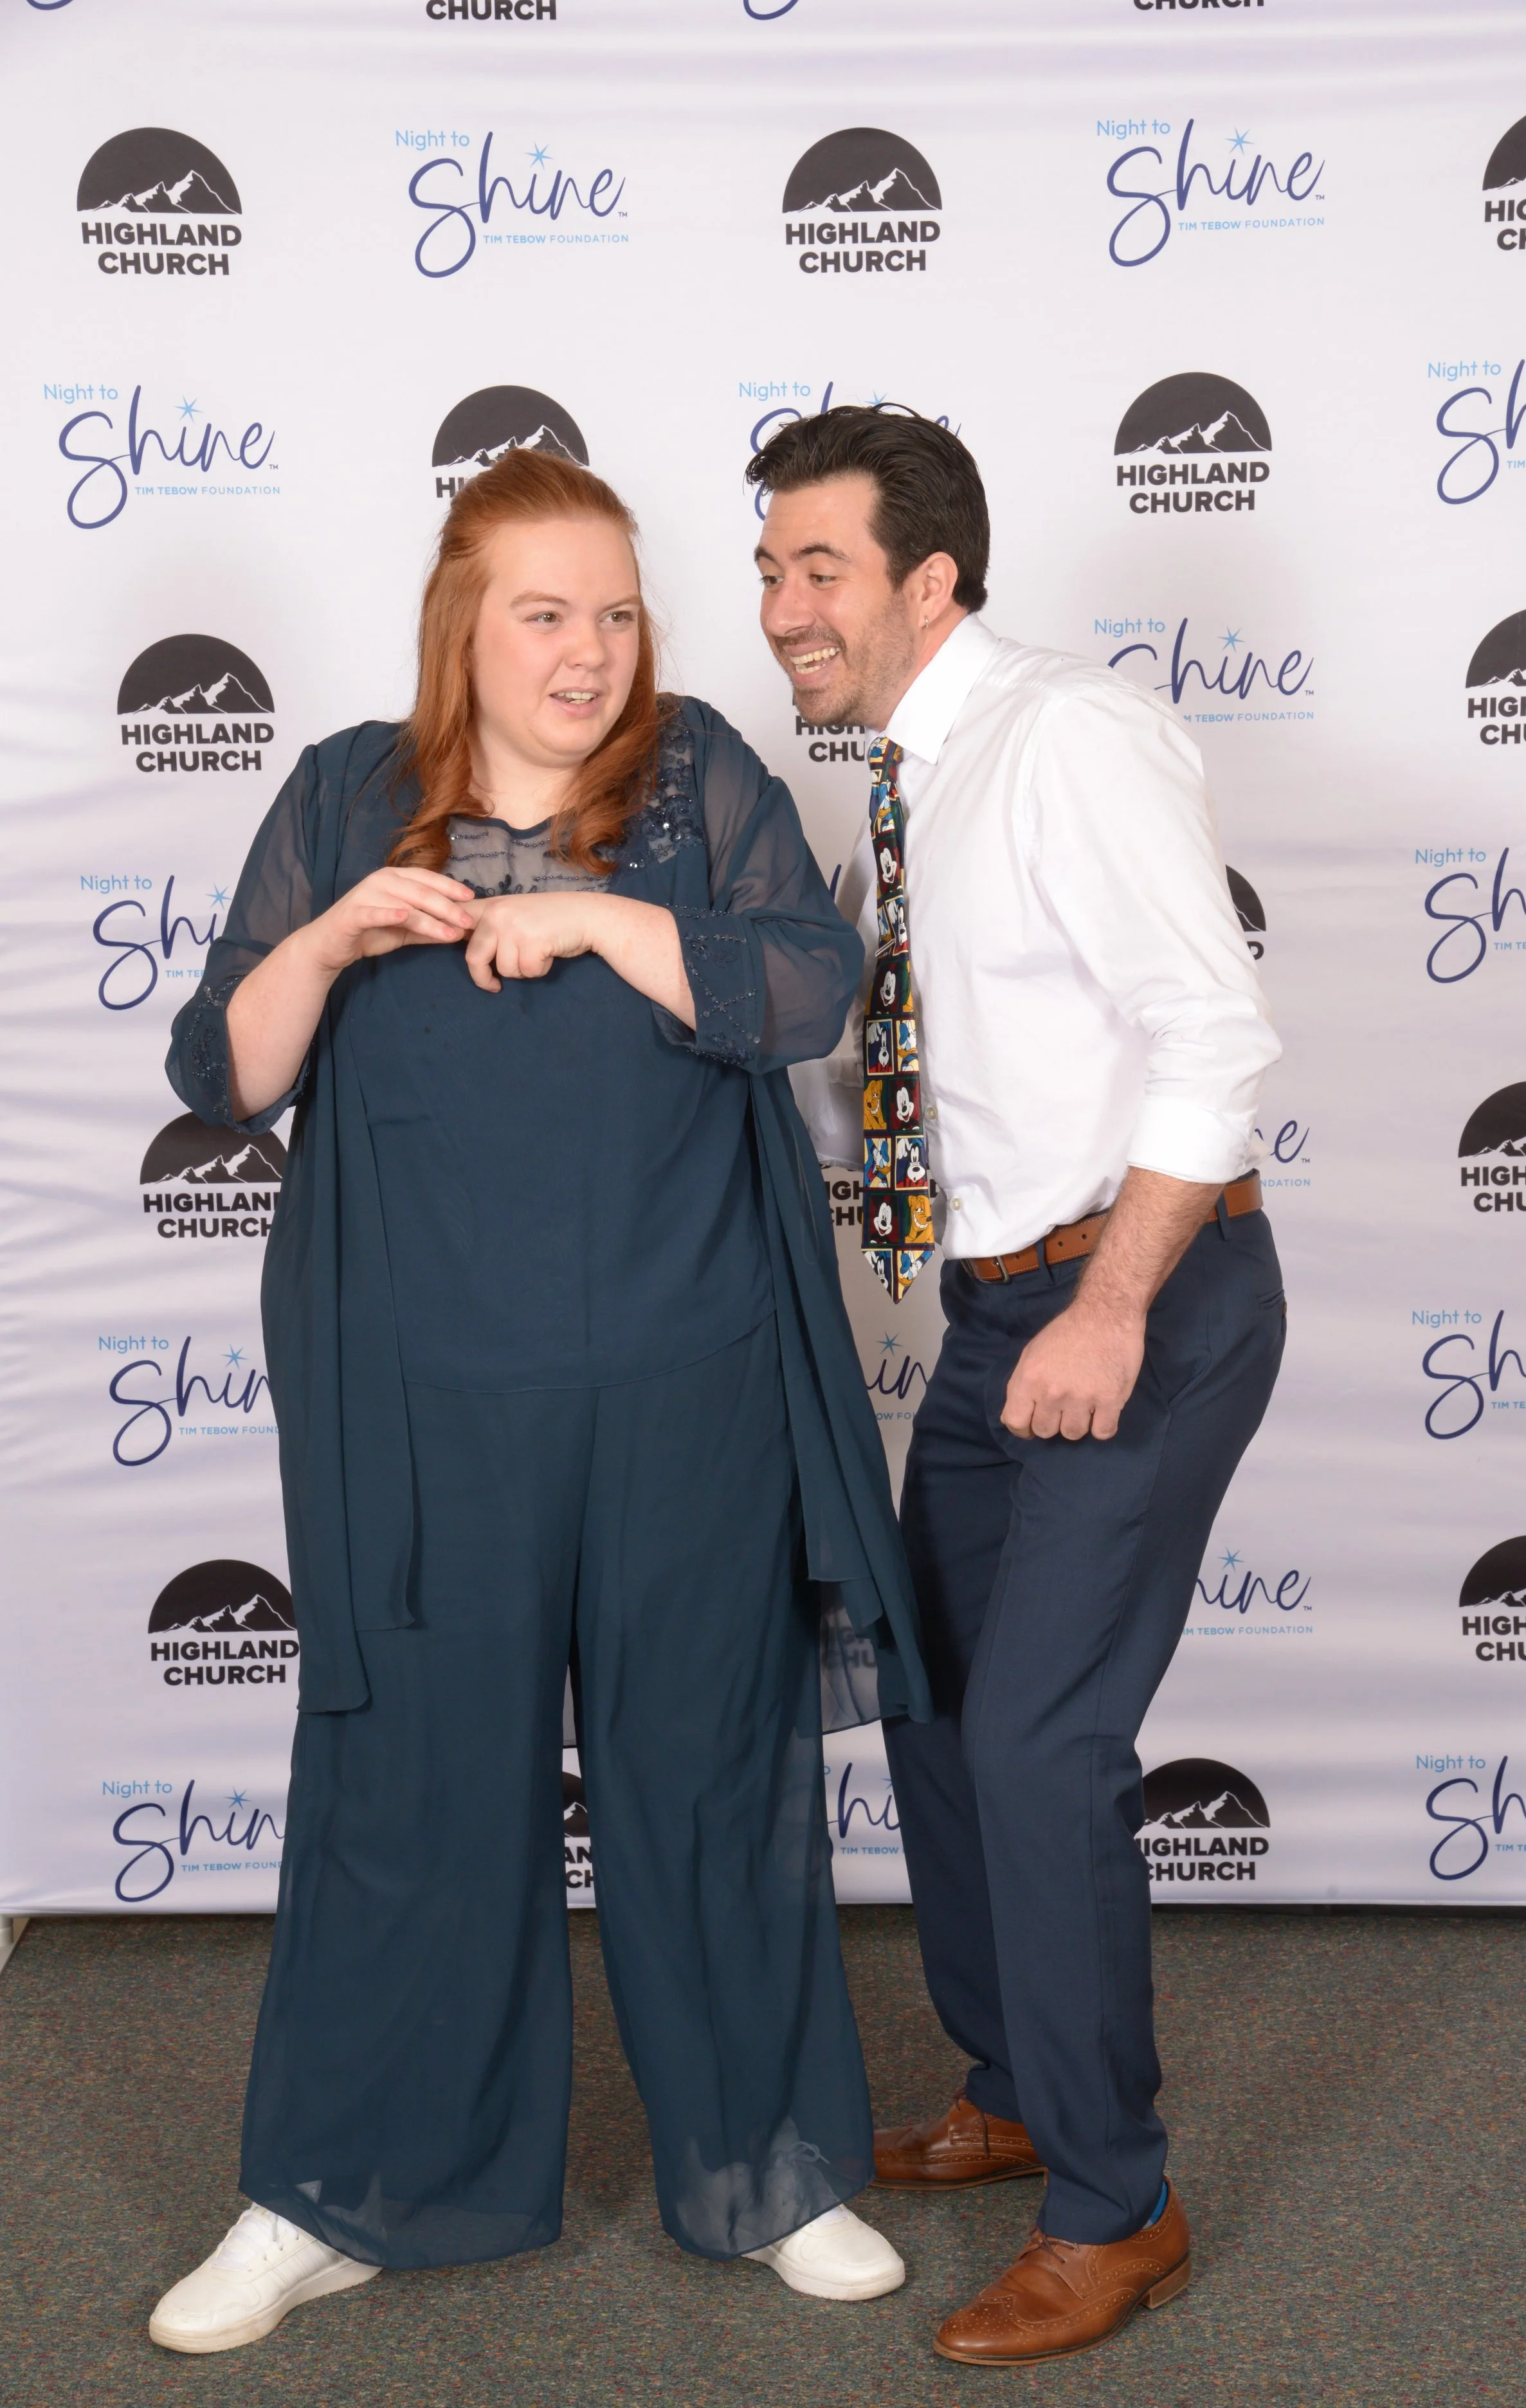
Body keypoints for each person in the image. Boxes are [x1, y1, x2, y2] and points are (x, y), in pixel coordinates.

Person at [148, 448, 927, 2355]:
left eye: (618, 614)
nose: (591, 654)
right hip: (425, 1407)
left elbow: (807, 984)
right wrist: (335, 933)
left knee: (706, 1778)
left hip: (689, 1388)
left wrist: (590, 918)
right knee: (406, 1792)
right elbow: (226, 1071)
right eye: (547, 614)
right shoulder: (343, 793)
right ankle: (333, 2191)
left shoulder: (696, 780)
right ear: (462, 626)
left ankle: (768, 2167)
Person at [750, 406, 1285, 2367]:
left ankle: (1115, 2208)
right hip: (999, 1317)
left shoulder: (1066, 735)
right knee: (937, 1701)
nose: (780, 607)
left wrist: (1110, 1308)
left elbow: (1213, 1036)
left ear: (927, 579)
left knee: (1041, 1744)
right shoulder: (913, 780)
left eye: (818, 568)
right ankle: (1019, 2086)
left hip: (1137, 1297)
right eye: (767, 569)